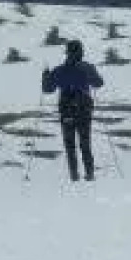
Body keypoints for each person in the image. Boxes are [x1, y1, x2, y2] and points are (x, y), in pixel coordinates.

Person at [41, 40, 106, 182]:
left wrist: (45, 75)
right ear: (81, 52)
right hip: (84, 110)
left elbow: (47, 89)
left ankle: (74, 176)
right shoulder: (86, 67)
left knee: (69, 145)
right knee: (85, 143)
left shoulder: (59, 70)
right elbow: (99, 83)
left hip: (66, 111)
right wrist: (91, 71)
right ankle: (89, 175)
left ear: (68, 53)